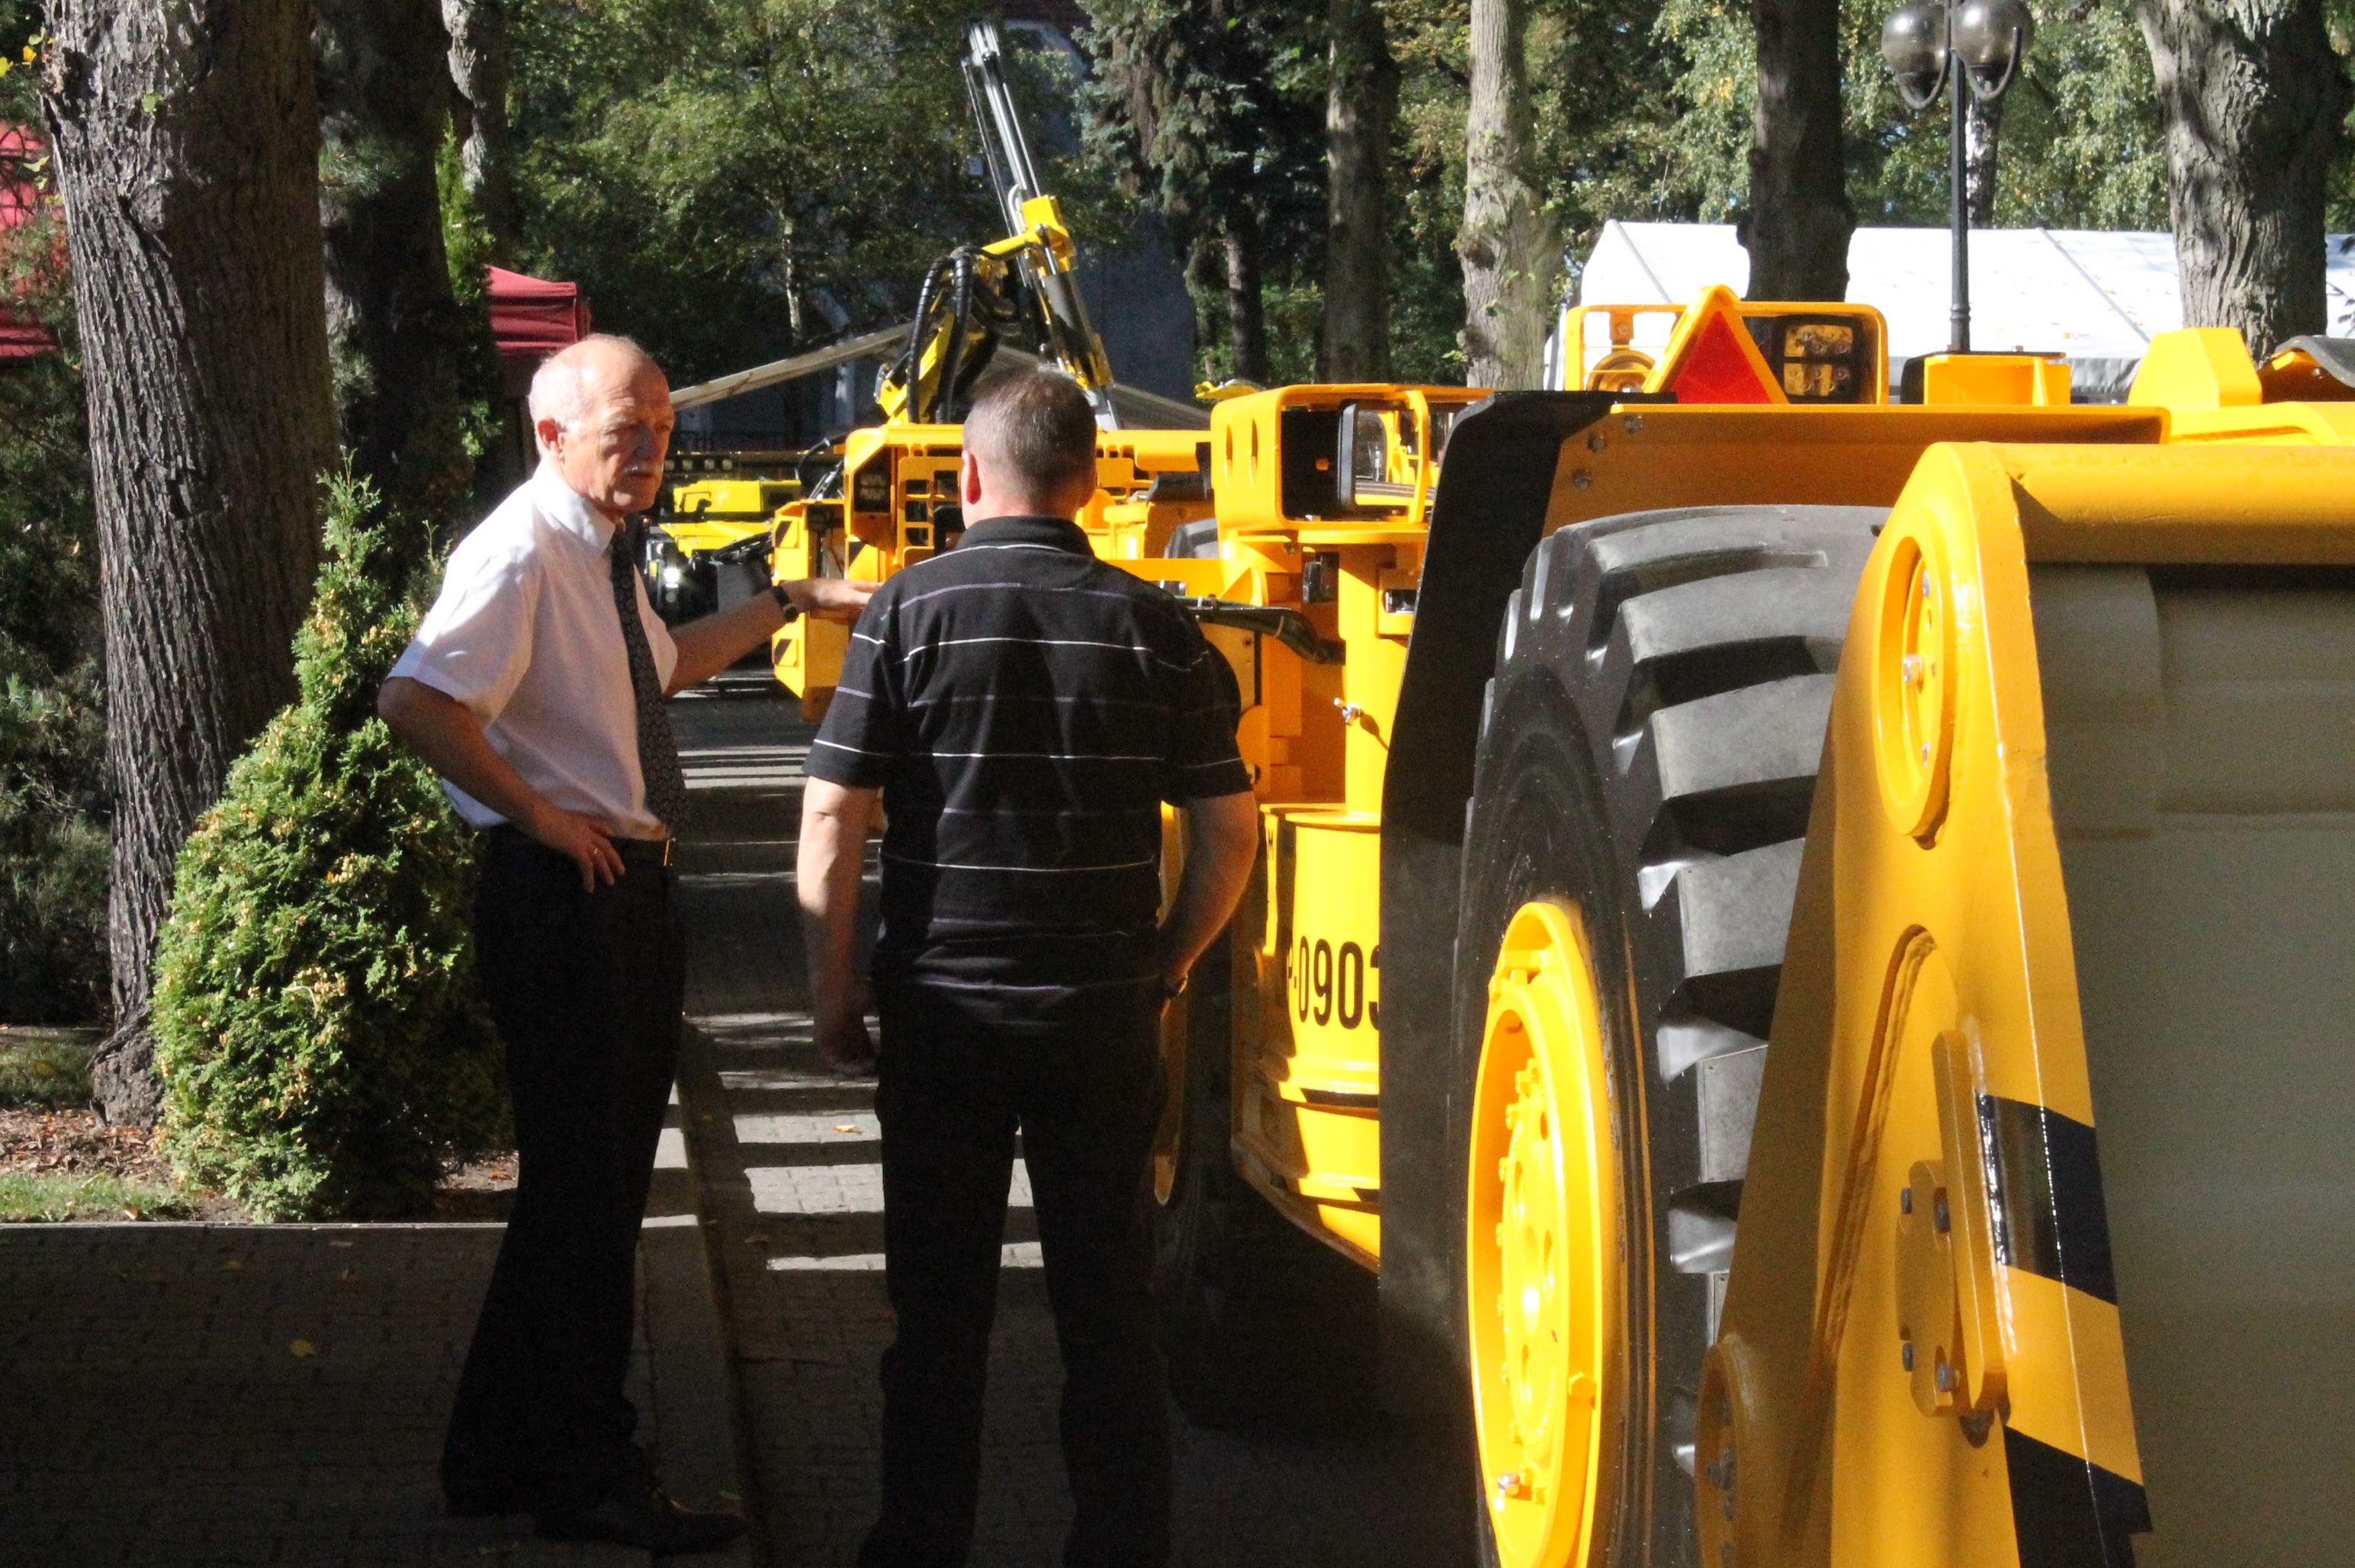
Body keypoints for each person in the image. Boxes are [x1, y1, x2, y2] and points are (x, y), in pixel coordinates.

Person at [378, 333, 872, 1554]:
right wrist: (542, 816)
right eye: (626, 429)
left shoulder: (597, 558)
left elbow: (665, 669)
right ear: (554, 436)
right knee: (593, 1203)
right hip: (572, 898)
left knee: (577, 1196)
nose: (653, 448)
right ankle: (589, 1471)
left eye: (660, 424)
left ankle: (493, 1456)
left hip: (616, 896)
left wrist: (792, 602)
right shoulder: (520, 550)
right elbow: (416, 697)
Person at [798, 369, 1260, 1567]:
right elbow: (1231, 830)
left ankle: (919, 1543)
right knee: (1109, 1316)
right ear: (1093, 485)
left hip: (943, 1014)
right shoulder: (1159, 627)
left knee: (937, 1318)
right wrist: (1168, 961)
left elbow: (834, 821)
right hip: (1103, 1019)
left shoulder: (903, 614)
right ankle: (1119, 1546)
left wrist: (835, 986)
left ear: (964, 479)